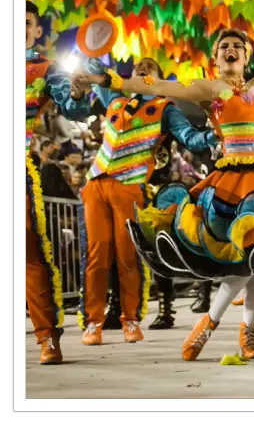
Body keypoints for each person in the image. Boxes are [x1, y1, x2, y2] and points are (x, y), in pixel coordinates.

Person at [116, 0, 254, 362]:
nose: (230, 50)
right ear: (216, 58)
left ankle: (248, 335)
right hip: (232, 184)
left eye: (237, 47)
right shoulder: (211, 89)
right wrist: (111, 80)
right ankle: (209, 325)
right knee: (244, 262)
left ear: (246, 57)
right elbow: (160, 87)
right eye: (223, 46)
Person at [69, 57, 219, 346]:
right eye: (140, 65)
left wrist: (220, 127)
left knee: (128, 257)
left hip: (130, 187)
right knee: (96, 257)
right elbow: (98, 71)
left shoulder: (166, 108)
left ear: (159, 79)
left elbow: (192, 139)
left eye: (151, 66)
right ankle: (93, 323)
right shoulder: (114, 99)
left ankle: (131, 320)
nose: (144, 67)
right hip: (95, 184)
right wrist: (91, 48)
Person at [25, 1, 95, 364]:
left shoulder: (44, 69)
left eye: (27, 23)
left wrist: (80, 91)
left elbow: (75, 109)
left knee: (27, 256)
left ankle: (46, 338)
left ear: (38, 32)